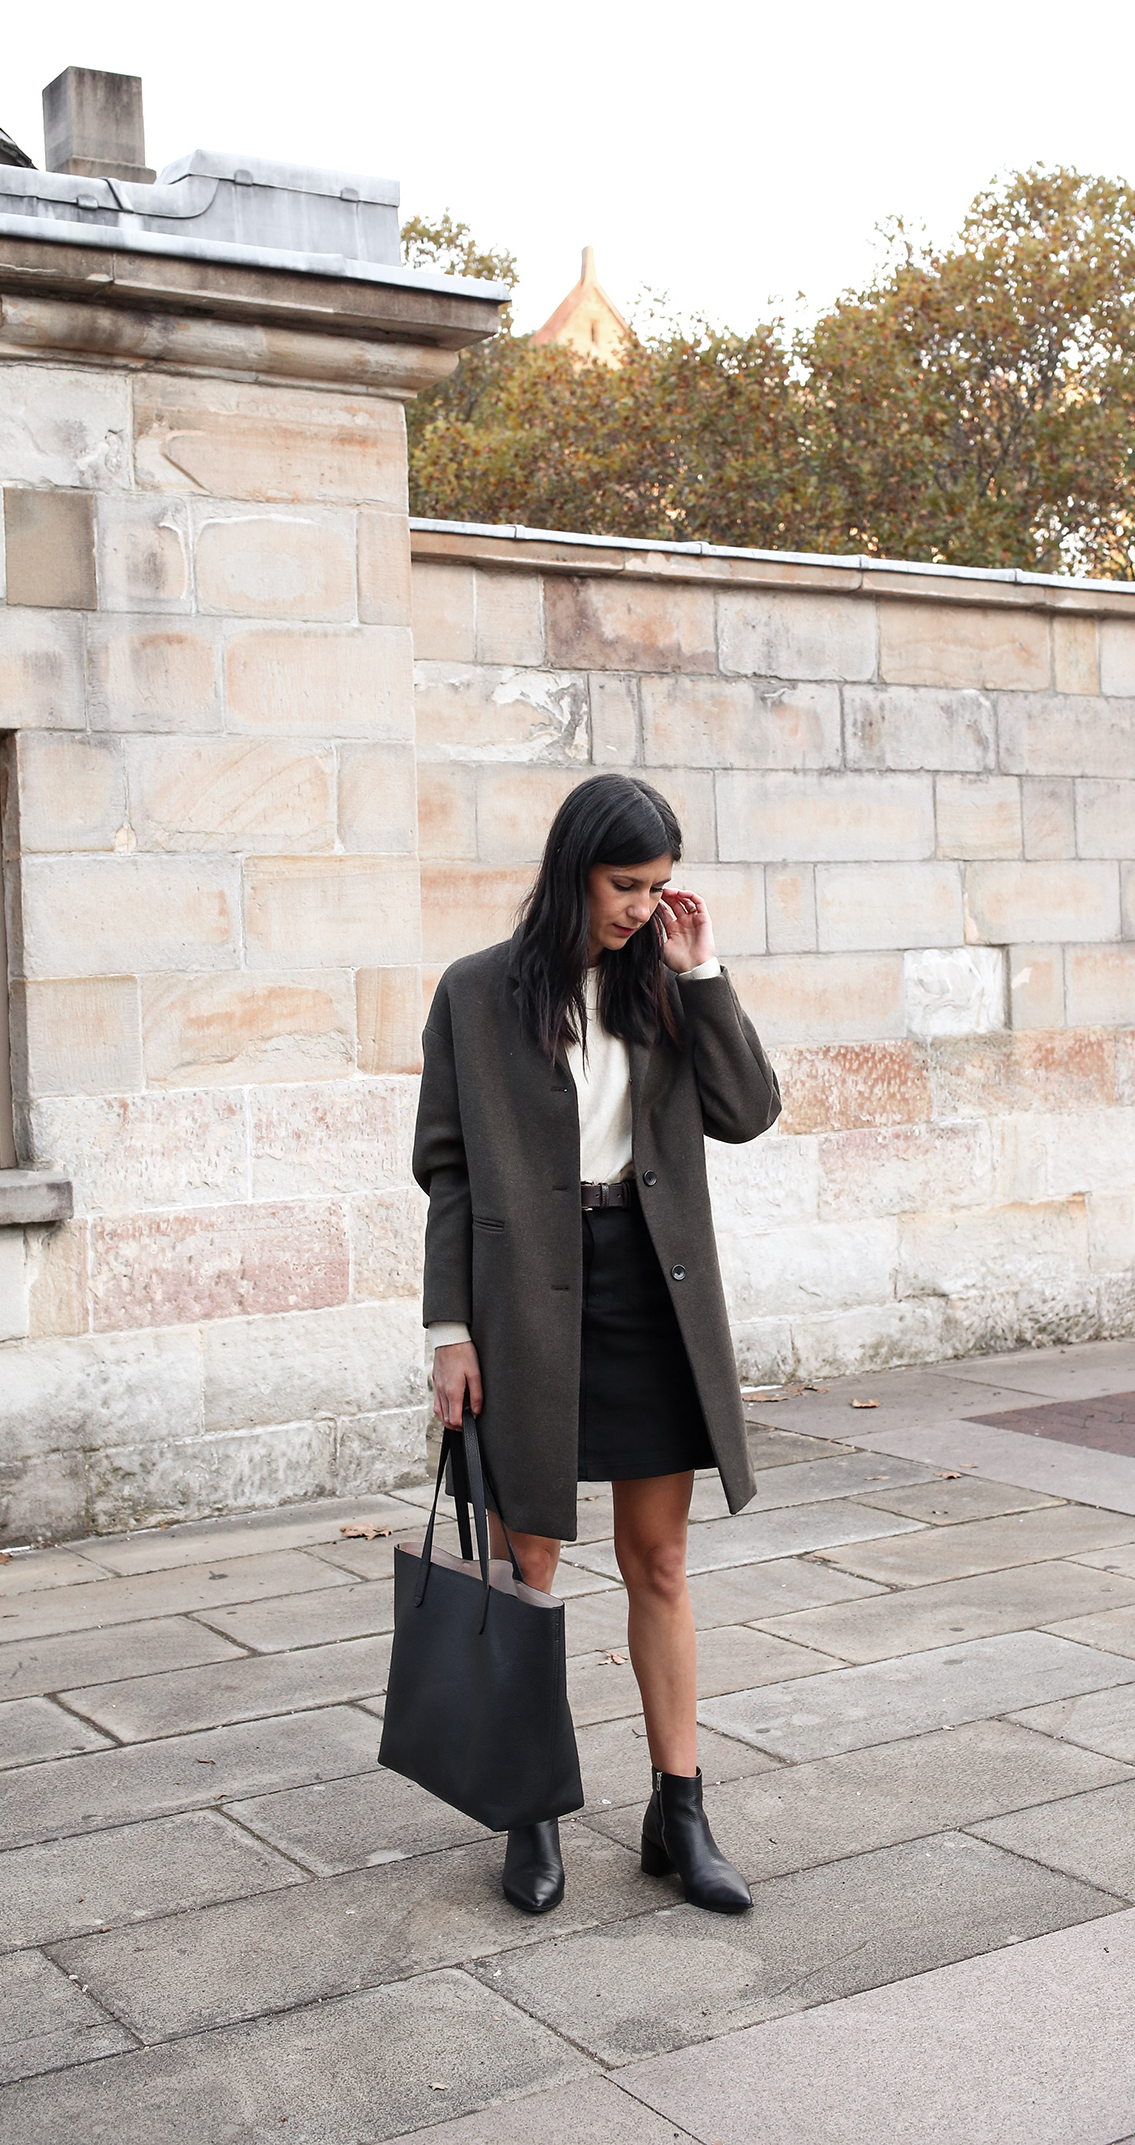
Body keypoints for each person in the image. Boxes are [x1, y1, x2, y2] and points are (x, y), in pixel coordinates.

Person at [413, 771, 781, 1916]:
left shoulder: (664, 986)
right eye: (628, 885)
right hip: (525, 1304)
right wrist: (449, 1331)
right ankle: (532, 1809)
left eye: (661, 886)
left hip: (650, 1294)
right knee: (528, 1567)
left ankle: (681, 1813)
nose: (642, 906)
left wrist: (703, 971)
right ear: (574, 869)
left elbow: (749, 1109)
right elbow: (447, 1170)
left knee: (657, 1562)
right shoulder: (475, 995)